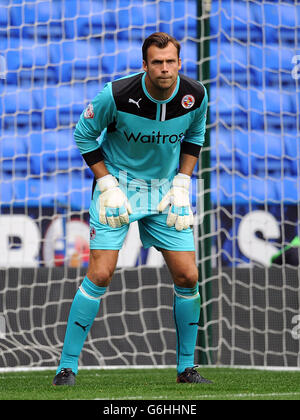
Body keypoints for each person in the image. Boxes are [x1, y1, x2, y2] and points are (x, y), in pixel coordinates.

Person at [52, 32, 211, 385]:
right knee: (100, 274)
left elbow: (194, 137)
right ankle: (67, 367)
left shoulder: (195, 95)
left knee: (188, 276)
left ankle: (187, 368)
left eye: (171, 61)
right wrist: (106, 184)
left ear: (179, 63)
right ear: (145, 65)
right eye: (157, 62)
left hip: (165, 191)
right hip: (117, 188)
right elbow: (83, 134)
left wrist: (183, 182)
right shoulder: (117, 94)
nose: (164, 68)